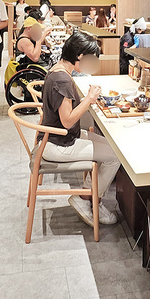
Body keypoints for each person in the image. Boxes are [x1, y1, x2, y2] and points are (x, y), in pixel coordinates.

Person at [40, 31, 120, 227]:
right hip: (59, 143)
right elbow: (67, 121)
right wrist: (89, 99)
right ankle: (87, 200)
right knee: (115, 156)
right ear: (80, 56)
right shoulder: (62, 80)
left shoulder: (57, 70)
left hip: (57, 137)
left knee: (112, 146)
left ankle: (89, 197)